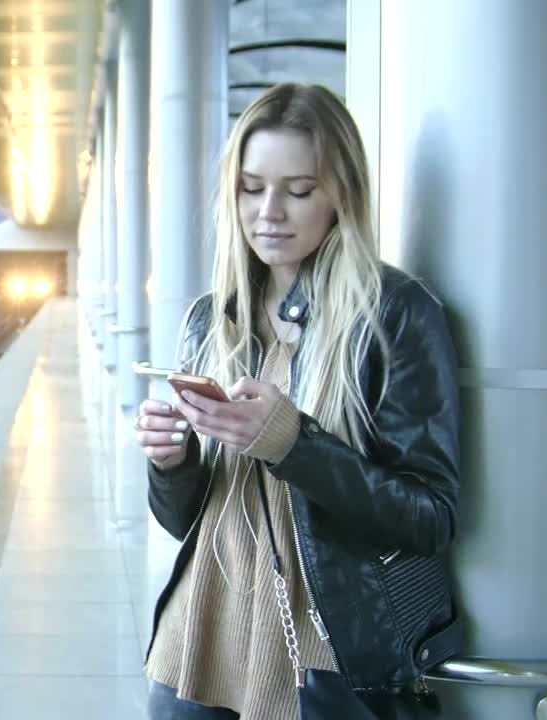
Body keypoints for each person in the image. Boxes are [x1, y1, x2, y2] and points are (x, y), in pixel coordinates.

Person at [136, 83, 463, 719]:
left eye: (300, 189)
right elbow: (189, 523)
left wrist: (293, 444)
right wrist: (171, 463)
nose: (270, 212)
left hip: (319, 657)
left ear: (342, 193)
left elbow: (431, 515)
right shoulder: (212, 320)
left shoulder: (393, 315)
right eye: (251, 187)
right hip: (196, 642)